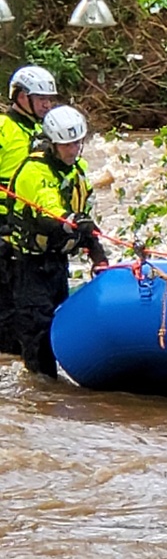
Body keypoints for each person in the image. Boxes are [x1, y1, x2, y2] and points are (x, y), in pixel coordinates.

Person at [9, 105, 107, 378]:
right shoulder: (33, 171)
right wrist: (71, 220)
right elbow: (48, 209)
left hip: (57, 263)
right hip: (29, 265)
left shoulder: (77, 171)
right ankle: (39, 392)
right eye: (67, 145)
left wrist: (97, 255)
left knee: (58, 323)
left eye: (78, 143)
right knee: (37, 329)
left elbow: (86, 219)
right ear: (53, 144)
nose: (74, 149)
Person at [0, 66, 59, 355]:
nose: (47, 105)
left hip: (28, 231)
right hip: (2, 228)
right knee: (7, 309)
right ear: (21, 96)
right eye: (41, 98)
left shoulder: (45, 132)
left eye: (50, 99)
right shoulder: (3, 128)